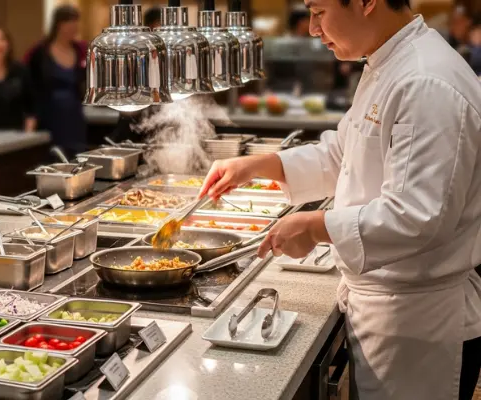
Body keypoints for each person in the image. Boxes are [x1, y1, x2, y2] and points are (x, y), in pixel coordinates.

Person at [198, 0, 481, 399]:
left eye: (319, 11)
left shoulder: (425, 81)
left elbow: (417, 216)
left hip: (417, 327)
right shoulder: (390, 62)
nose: (313, 29)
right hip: (388, 312)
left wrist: (315, 227)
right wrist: (258, 165)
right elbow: (344, 154)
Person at [24, 5, 87, 156]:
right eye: (70, 23)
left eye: (76, 23)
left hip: (74, 114)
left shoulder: (81, 50)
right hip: (49, 115)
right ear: (59, 24)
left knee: (77, 157)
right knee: (53, 157)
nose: (74, 27)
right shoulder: (40, 52)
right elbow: (29, 85)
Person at [111, 7, 163, 144]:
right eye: (160, 26)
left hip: (157, 120)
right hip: (132, 119)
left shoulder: (164, 52)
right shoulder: (135, 51)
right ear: (151, 26)